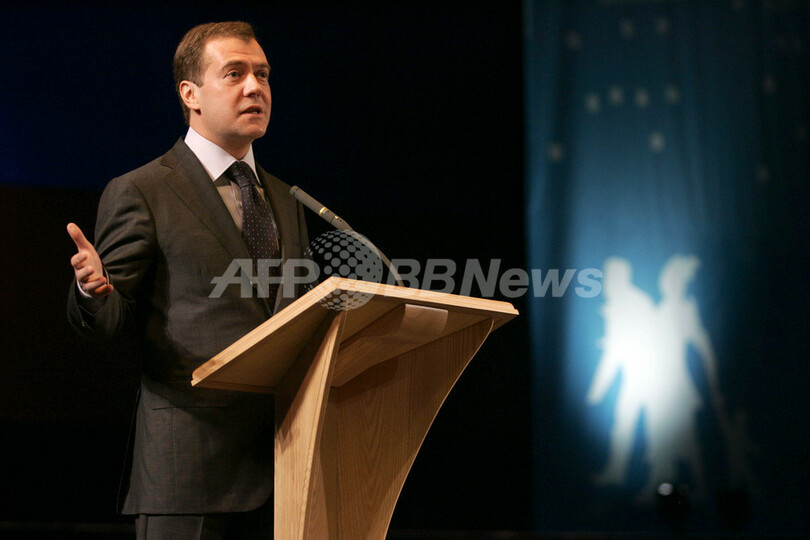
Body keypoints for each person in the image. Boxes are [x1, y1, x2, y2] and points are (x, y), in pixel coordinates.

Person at [67, 21, 308, 539]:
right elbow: (110, 318)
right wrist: (92, 290)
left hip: (285, 473)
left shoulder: (288, 200)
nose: (255, 87)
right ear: (190, 94)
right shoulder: (143, 190)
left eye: (263, 75)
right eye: (235, 74)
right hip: (188, 473)